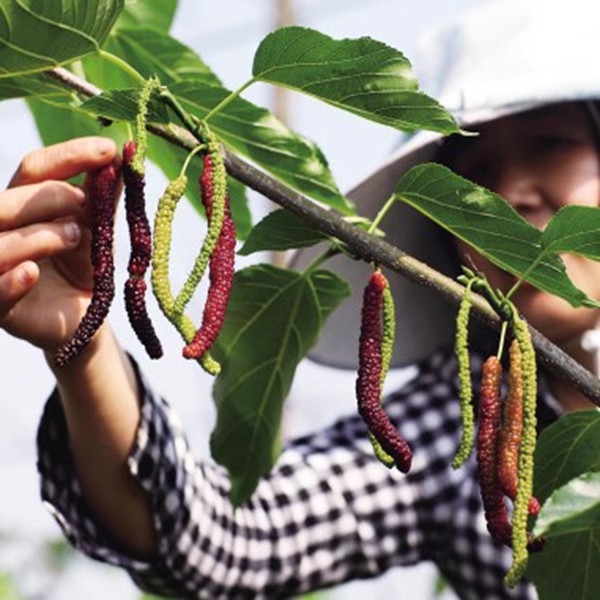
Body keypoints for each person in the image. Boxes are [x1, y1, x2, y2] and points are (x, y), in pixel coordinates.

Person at [1, 1, 599, 599]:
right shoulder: (465, 430)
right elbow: (230, 539)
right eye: (469, 184)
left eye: (549, 143)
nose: (510, 194)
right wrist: (83, 336)